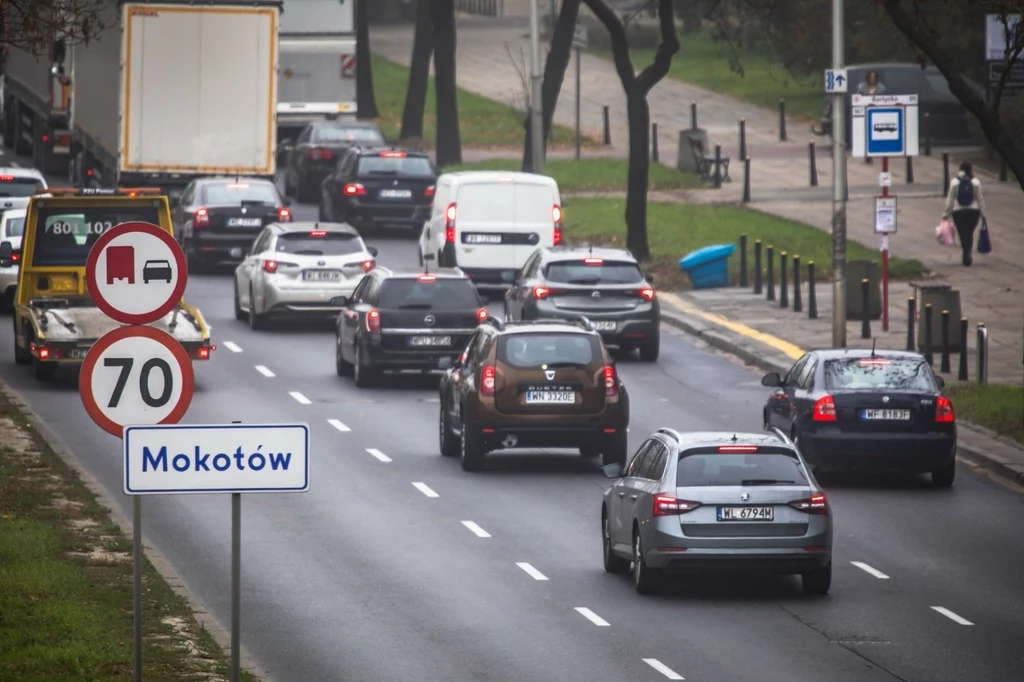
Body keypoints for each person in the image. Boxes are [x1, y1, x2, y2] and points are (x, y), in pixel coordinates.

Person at [943, 162, 987, 266]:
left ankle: (966, 254)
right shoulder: (976, 182)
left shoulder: (954, 182)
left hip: (958, 211)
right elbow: (979, 199)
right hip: (973, 211)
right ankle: (968, 252)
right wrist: (983, 213)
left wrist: (946, 213)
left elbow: (950, 199)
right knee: (969, 233)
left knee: (963, 233)